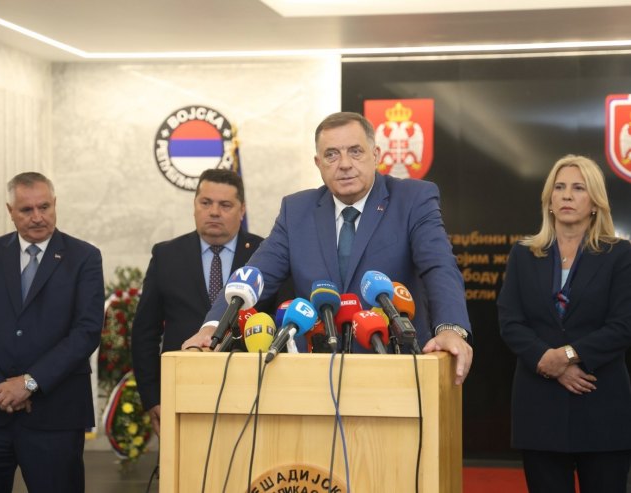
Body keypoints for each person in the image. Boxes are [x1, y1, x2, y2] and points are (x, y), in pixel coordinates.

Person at [182, 112, 473, 385]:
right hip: (316, 375)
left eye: (355, 151)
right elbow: (254, 276)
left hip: (397, 368)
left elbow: (439, 266)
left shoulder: (412, 199)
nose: (344, 164)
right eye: (331, 154)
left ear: (375, 155)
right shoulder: (296, 210)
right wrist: (212, 328)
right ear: (318, 162)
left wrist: (450, 329)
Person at [498, 155, 631, 493]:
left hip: (600, 403)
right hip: (539, 405)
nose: (567, 195)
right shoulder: (523, 254)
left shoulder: (620, 254)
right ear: (549, 200)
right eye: (559, 188)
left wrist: (568, 356)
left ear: (595, 202)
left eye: (578, 188)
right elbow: (510, 321)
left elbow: (623, 325)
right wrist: (547, 361)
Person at [0, 172, 104, 493]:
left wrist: (29, 383)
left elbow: (86, 332)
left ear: (55, 204)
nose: (37, 217)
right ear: (10, 211)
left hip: (56, 416)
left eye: (44, 207)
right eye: (26, 210)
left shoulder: (84, 257)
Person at [131, 168, 268, 437]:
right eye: (206, 203)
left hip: (250, 395)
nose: (214, 212)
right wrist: (152, 398)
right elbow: (144, 333)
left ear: (242, 210)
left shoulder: (264, 256)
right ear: (194, 205)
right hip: (182, 392)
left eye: (225, 205)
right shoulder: (166, 255)